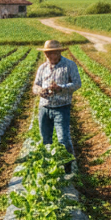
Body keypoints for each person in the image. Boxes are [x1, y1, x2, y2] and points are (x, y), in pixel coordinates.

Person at [32, 39, 81, 174]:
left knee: (63, 139)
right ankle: (48, 166)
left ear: (59, 52)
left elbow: (77, 84)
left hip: (61, 107)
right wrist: (40, 90)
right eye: (47, 54)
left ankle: (68, 168)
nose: (50, 57)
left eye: (53, 53)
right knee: (45, 139)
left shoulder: (69, 66)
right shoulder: (42, 68)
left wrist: (61, 88)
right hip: (44, 108)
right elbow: (35, 85)